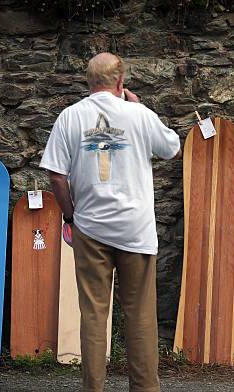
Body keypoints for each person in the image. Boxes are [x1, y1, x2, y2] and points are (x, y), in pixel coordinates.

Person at [40, 52, 181, 392]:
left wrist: (71, 216)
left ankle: (93, 388)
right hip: (136, 230)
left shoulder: (70, 117)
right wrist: (140, 107)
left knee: (93, 316)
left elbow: (56, 178)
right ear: (120, 82)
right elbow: (171, 147)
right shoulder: (139, 114)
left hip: (90, 228)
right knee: (141, 316)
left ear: (89, 81)